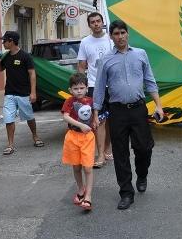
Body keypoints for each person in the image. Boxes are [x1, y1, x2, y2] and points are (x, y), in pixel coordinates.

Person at [93, 20, 164, 210]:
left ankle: (142, 174)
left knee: (144, 148)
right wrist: (96, 112)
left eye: (123, 33)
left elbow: (150, 81)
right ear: (111, 36)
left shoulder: (140, 54)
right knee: (120, 153)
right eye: (116, 34)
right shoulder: (106, 60)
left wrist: (159, 105)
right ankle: (126, 192)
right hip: (117, 112)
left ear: (128, 34)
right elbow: (99, 88)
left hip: (139, 109)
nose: (120, 37)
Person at [0, 31, 44, 155]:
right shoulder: (6, 56)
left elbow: (32, 73)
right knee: (8, 119)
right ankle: (10, 145)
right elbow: (1, 69)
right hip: (9, 93)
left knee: (29, 117)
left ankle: (35, 136)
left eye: (4, 41)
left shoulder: (25, 56)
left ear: (11, 41)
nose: (3, 43)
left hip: (23, 93)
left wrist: (33, 92)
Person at [77, 12, 112, 168]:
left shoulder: (112, 39)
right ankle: (100, 155)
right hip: (94, 86)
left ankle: (107, 148)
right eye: (93, 22)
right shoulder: (85, 42)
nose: (96, 24)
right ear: (89, 25)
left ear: (103, 22)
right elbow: (81, 66)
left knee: (111, 120)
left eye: (98, 21)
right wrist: (81, 87)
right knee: (99, 120)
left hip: (113, 85)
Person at [61, 73, 95, 211]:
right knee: (76, 167)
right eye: (75, 88)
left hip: (87, 138)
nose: (79, 91)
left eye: (81, 88)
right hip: (73, 136)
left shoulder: (91, 101)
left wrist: (97, 119)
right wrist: (80, 125)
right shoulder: (69, 101)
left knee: (88, 167)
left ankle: (88, 196)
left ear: (87, 88)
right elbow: (65, 116)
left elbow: (97, 114)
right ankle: (81, 189)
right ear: (70, 90)